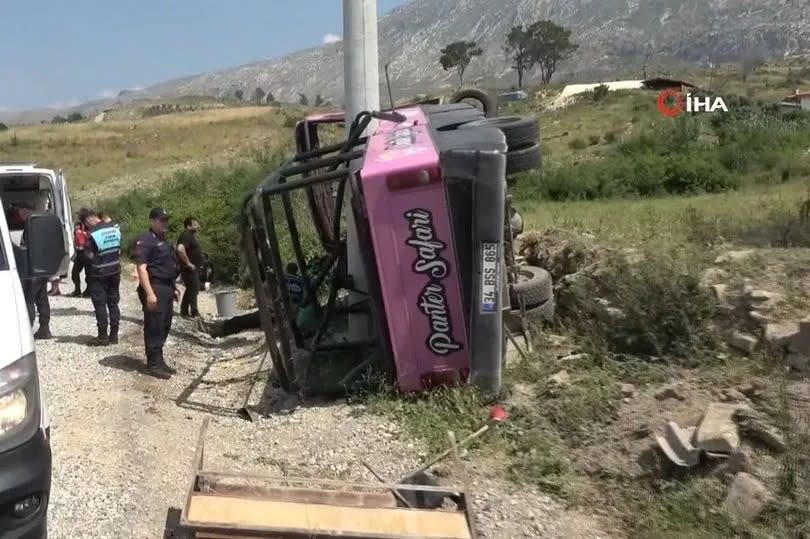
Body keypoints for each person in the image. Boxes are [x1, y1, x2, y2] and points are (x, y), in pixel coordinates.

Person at [134, 208, 180, 379]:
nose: (165, 223)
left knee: (165, 324)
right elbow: (141, 268)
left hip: (166, 287)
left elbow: (167, 266)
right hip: (154, 287)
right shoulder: (145, 240)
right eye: (161, 220)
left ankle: (159, 360)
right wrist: (149, 293)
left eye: (166, 220)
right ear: (152, 221)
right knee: (155, 326)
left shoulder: (164, 241)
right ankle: (153, 364)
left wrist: (173, 286)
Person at [82, 210, 122, 346]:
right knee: (113, 303)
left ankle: (103, 337)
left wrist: (95, 262)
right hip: (115, 271)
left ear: (88, 220)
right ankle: (114, 335)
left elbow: (88, 255)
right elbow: (119, 249)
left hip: (99, 274)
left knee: (100, 305)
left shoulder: (92, 234)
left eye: (86, 224)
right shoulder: (114, 228)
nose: (87, 227)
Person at [11, 206, 52, 339]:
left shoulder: (29, 227)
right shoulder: (43, 226)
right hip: (43, 268)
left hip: (30, 269)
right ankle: (45, 328)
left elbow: (23, 248)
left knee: (28, 300)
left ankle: (27, 331)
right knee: (42, 298)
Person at [176, 217, 203, 318]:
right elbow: (180, 249)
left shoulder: (190, 235)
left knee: (192, 289)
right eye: (195, 225)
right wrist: (188, 263)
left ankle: (184, 310)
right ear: (188, 226)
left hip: (192, 268)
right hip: (188, 269)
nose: (197, 227)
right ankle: (194, 313)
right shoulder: (186, 234)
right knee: (194, 289)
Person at [71, 210, 90, 296]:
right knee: (75, 272)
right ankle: (77, 289)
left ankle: (88, 291)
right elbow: (76, 238)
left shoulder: (89, 227)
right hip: (79, 252)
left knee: (89, 273)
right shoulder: (78, 226)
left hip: (87, 252)